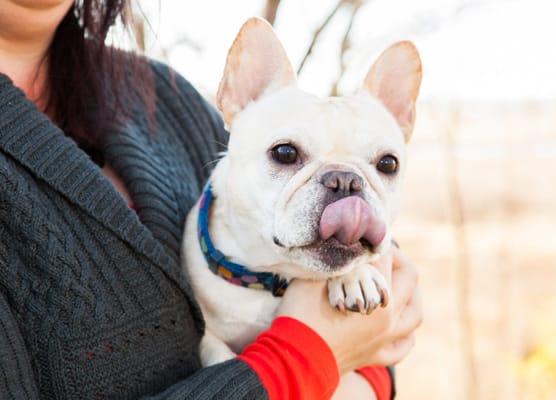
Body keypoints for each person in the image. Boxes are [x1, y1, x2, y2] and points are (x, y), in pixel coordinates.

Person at [0, 1, 423, 399]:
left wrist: (366, 366)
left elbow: (378, 329)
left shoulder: (166, 97)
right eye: (287, 155)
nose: (343, 191)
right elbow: (327, 349)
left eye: (384, 164)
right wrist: (302, 359)